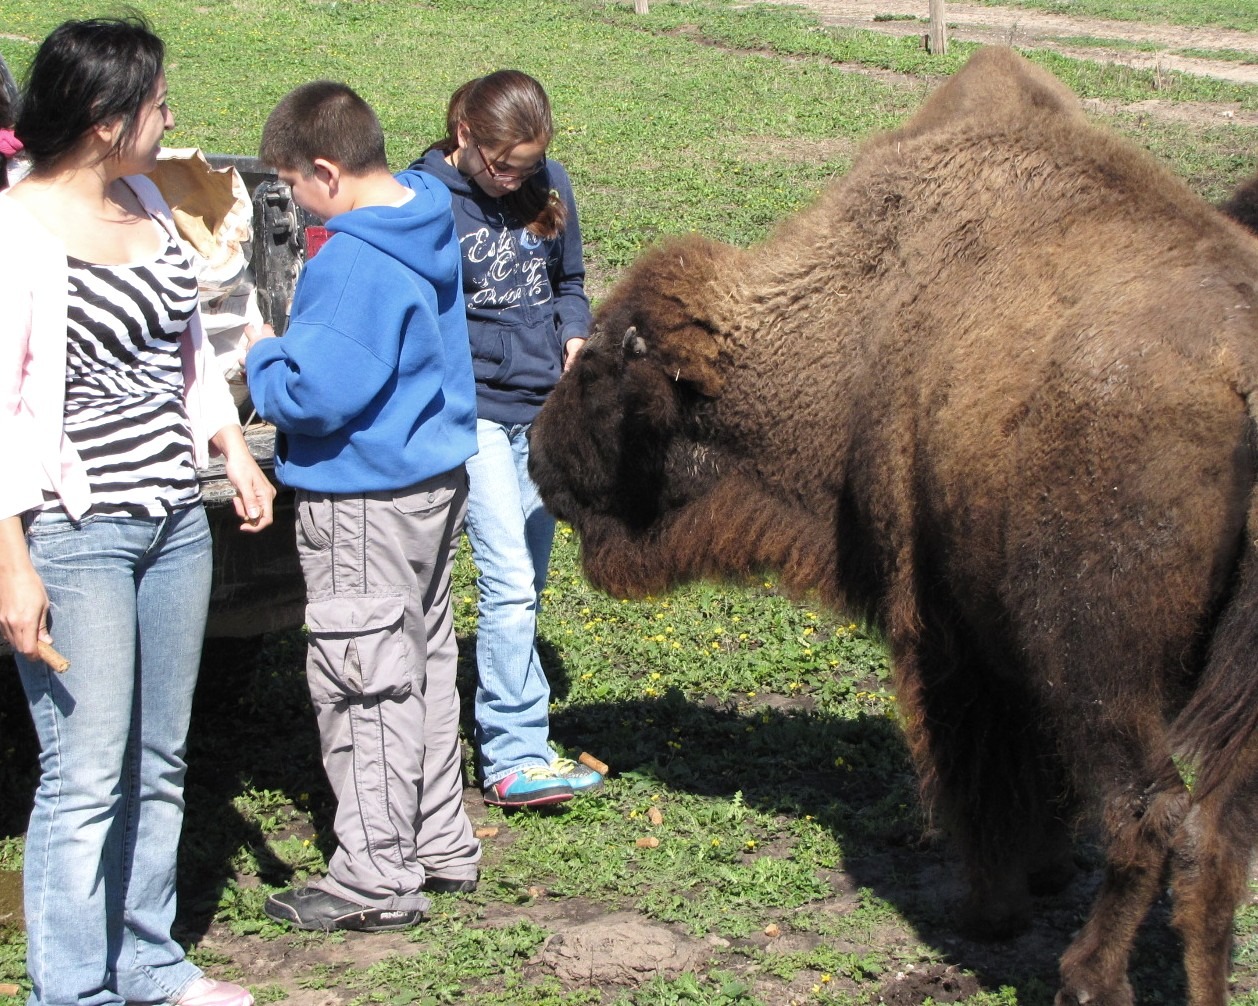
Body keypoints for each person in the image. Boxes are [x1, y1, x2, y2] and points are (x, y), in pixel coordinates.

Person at [0, 17, 275, 1006]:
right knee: (84, 773)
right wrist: (12, 564)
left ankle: (148, 961)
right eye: (158, 102)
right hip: (77, 535)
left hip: (172, 522)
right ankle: (72, 991)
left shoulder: (153, 201)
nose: (171, 117)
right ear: (109, 119)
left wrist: (230, 451)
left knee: (160, 758)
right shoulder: (16, 228)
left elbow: (188, 352)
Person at [245, 81, 483, 931]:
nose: (297, 206)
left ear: (326, 170)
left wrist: (264, 355)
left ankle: (375, 877)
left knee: (364, 676)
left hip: (363, 495)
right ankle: (437, 836)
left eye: (295, 188)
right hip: (430, 478)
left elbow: (316, 392)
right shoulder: (423, 211)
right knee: (421, 657)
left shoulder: (352, 258)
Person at [411, 70, 603, 808]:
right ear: (464, 136)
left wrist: (576, 335)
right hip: (478, 415)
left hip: (542, 410)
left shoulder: (546, 184)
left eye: (526, 167)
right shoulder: (427, 199)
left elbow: (571, 280)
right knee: (510, 581)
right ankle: (513, 755)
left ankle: (517, 736)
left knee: (529, 582)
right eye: (502, 166)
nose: (512, 180)